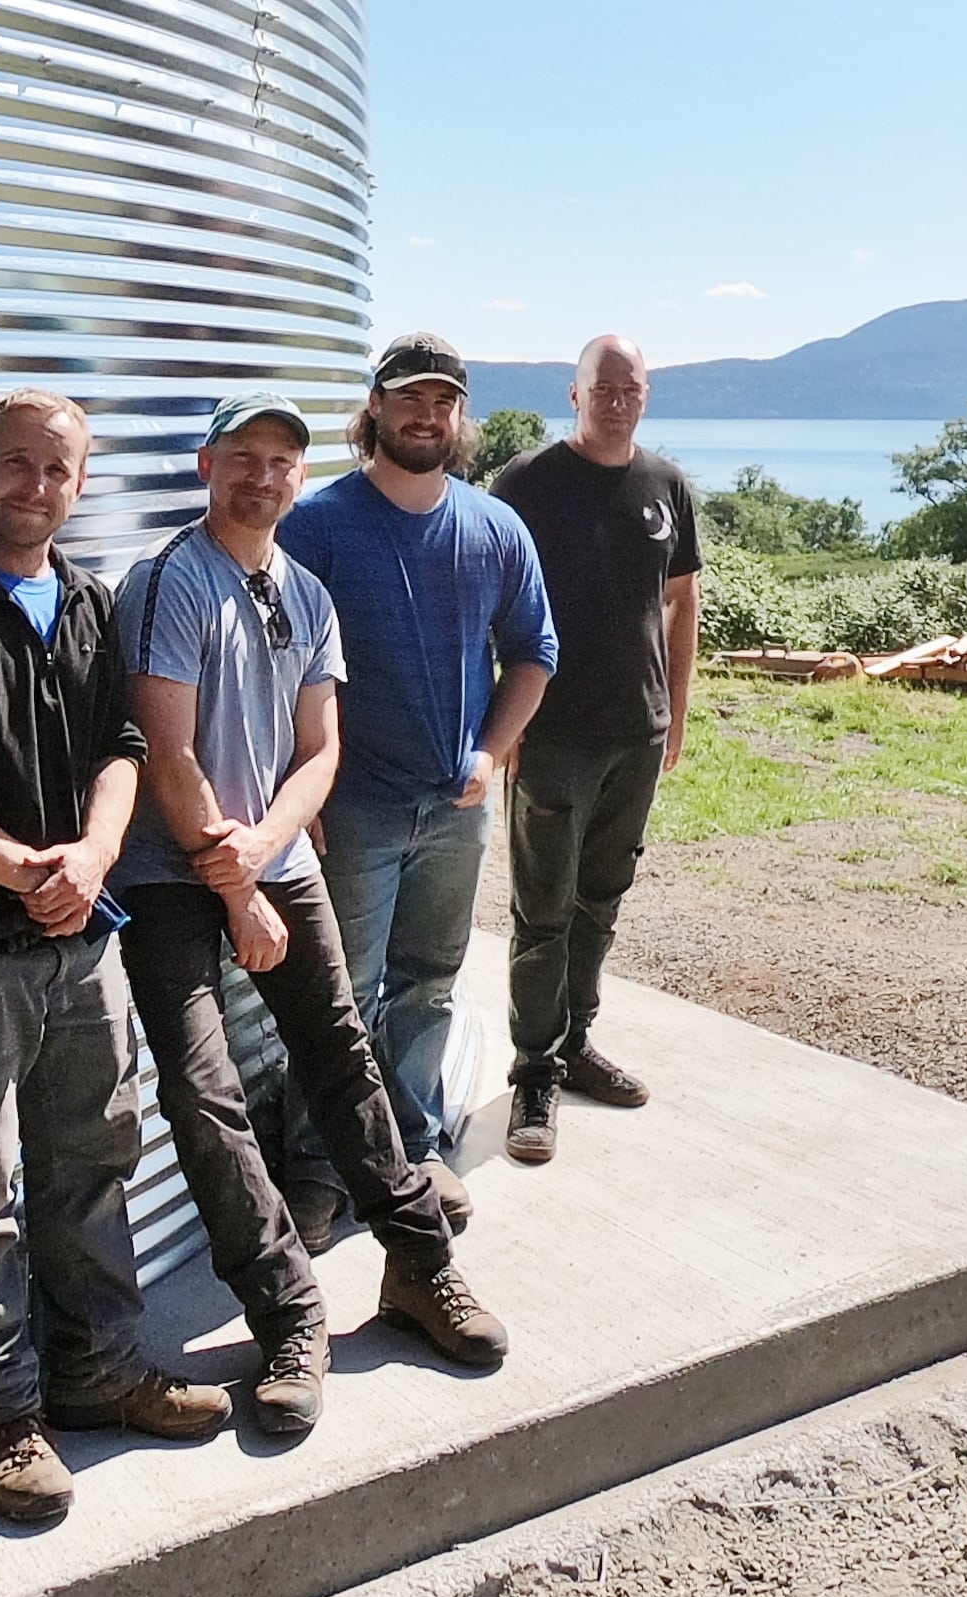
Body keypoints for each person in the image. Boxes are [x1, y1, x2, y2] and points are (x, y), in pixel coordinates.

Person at [0, 390, 229, 1528]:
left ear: (80, 482)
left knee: (92, 1158)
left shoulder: (87, 604)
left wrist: (97, 853)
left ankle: (99, 1369)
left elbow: (123, 744)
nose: (35, 485)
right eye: (14, 463)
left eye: (57, 468)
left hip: (80, 945)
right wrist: (32, 870)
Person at [112, 391, 511, 1413]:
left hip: (272, 862)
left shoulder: (306, 592)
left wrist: (270, 846)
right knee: (203, 1094)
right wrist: (236, 876)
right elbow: (167, 753)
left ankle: (419, 1266)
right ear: (206, 466)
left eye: (282, 460)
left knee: (341, 1050)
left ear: (299, 477)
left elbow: (320, 748)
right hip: (173, 876)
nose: (263, 475)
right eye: (242, 456)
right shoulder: (170, 581)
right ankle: (291, 1313)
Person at [276, 335, 556, 1240]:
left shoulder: (494, 527)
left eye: (443, 401)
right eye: (409, 398)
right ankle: (320, 1171)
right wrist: (299, 791)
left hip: (455, 806)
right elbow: (272, 665)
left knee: (429, 984)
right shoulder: (317, 526)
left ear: (460, 417)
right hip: (351, 807)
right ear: (375, 409)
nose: (426, 414)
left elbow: (535, 653)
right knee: (340, 997)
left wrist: (489, 752)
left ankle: (416, 1144)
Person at [488, 335, 702, 1166]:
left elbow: (682, 602)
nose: (618, 400)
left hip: (635, 730)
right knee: (542, 908)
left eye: (632, 388)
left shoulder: (666, 485)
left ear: (646, 395)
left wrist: (676, 714)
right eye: (602, 387)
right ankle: (533, 1071)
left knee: (602, 896)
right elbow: (489, 606)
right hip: (553, 731)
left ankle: (576, 1041)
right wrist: (499, 727)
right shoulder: (527, 483)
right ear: (572, 395)